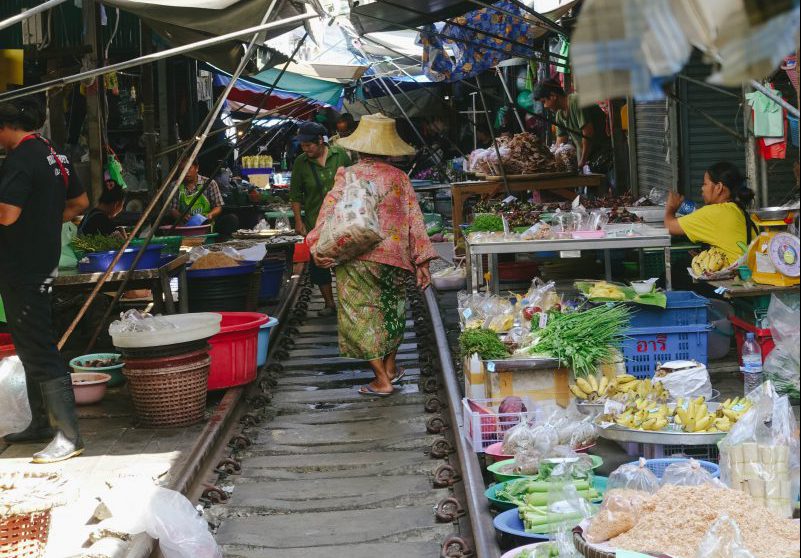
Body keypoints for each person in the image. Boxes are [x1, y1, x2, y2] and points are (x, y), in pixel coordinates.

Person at [307, 114, 438, 396]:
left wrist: (316, 245)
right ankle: (390, 367)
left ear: (360, 147)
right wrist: (423, 261)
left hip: (357, 257)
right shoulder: (400, 178)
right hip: (395, 257)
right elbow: (416, 219)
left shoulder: (348, 174)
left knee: (361, 315)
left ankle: (381, 379)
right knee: (392, 313)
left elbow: (329, 211)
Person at [0, 97, 89, 463]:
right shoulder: (56, 154)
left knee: (38, 346)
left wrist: (32, 222)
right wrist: (45, 222)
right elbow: (80, 202)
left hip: (24, 267)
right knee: (29, 342)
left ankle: (68, 436)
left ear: (7, 127)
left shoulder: (20, 158)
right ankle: (40, 423)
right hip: (42, 261)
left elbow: (6, 215)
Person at [289, 121, 352, 317]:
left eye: (309, 145)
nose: (305, 149)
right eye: (302, 146)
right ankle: (329, 303)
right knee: (319, 263)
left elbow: (352, 182)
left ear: (320, 141)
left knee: (345, 261)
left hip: (343, 219)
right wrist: (299, 221)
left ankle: (347, 301)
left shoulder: (339, 155)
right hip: (316, 222)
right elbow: (296, 195)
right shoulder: (301, 162)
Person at [664, 161, 757, 265]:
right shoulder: (738, 209)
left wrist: (671, 207)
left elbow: (670, 226)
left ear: (719, 187)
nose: (702, 188)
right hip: (747, 273)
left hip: (732, 277)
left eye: (705, 184)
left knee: (677, 268)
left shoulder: (715, 212)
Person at [532, 78, 613, 175]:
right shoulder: (560, 115)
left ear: (553, 96)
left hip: (607, 153)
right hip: (591, 159)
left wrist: (582, 161)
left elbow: (588, 134)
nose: (545, 106)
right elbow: (560, 142)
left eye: (544, 101)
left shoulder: (576, 101)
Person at [169, 157, 224, 225]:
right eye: (182, 169)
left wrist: (210, 215)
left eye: (189, 168)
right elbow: (173, 209)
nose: (186, 172)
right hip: (185, 225)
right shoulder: (175, 186)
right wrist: (181, 216)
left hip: (206, 223)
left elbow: (218, 206)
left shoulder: (209, 183)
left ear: (197, 168)